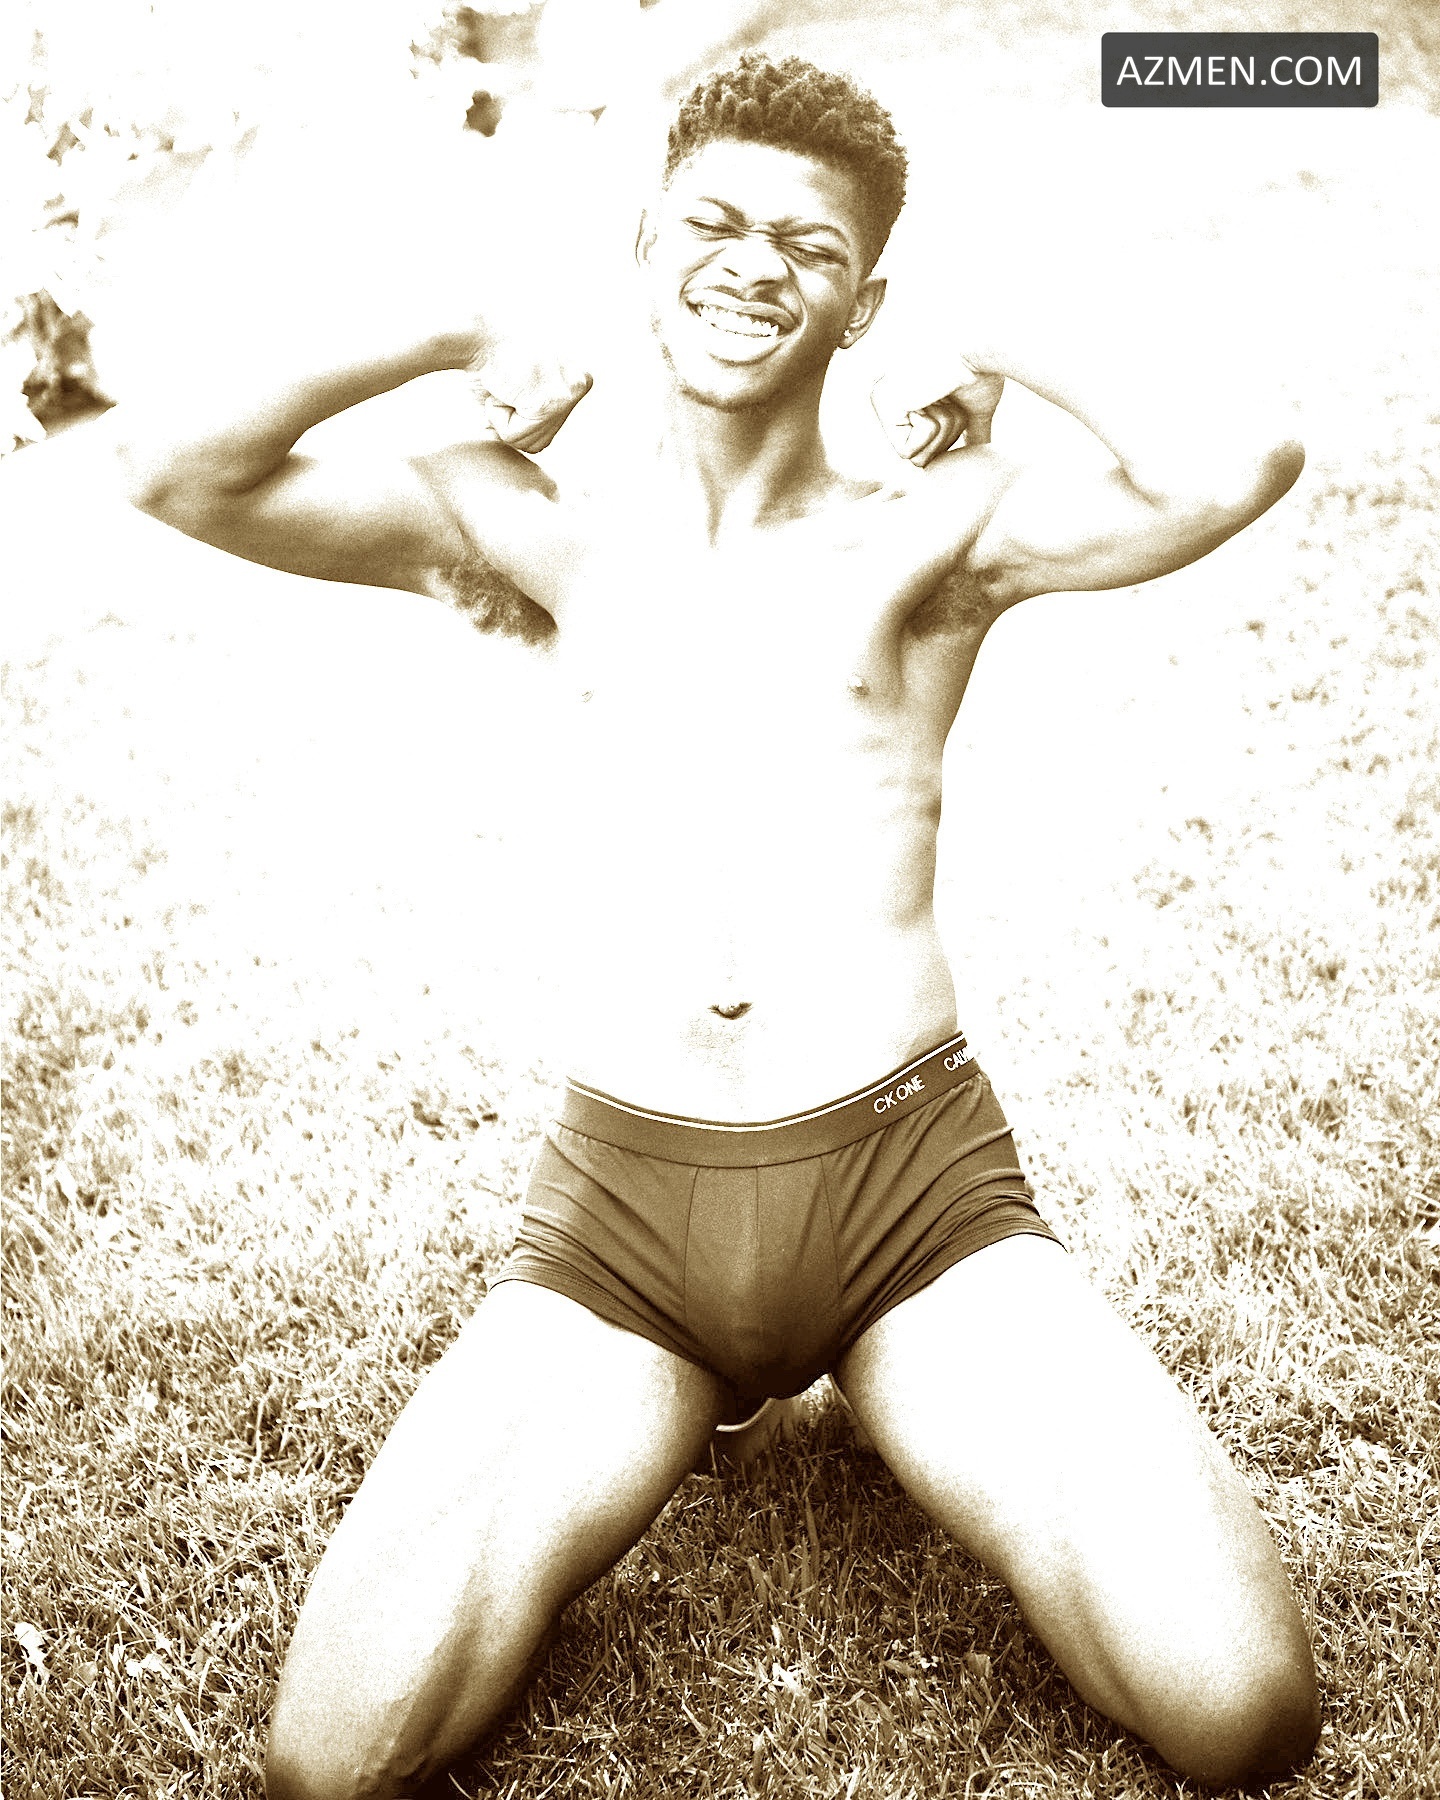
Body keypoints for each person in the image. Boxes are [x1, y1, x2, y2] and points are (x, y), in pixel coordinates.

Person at [116, 53, 1319, 1799]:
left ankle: (892, 1388)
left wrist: (995, 329)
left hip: (914, 1204)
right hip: (625, 1230)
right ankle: (711, 1397)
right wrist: (450, 326)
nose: (755, 264)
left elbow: (1241, 453)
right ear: (646, 243)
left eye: (810, 247)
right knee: (336, 1760)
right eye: (715, 224)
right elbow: (171, 464)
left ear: (864, 302)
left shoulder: (938, 531)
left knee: (1239, 1708)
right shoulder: (528, 523)